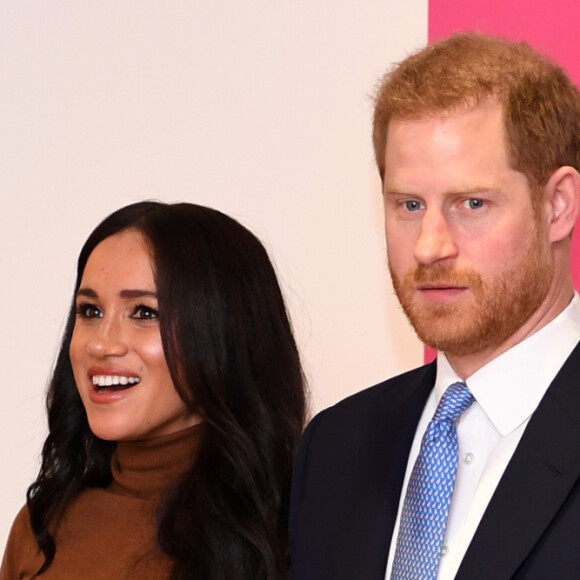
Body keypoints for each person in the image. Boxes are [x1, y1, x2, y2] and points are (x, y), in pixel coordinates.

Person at [289, 32, 580, 580]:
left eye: (471, 203)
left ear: (558, 206)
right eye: (409, 205)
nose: (429, 245)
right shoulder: (334, 448)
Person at [1, 201, 307, 579]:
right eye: (90, 311)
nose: (100, 344)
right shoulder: (42, 528)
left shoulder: (302, 529)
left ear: (223, 334)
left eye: (144, 312)